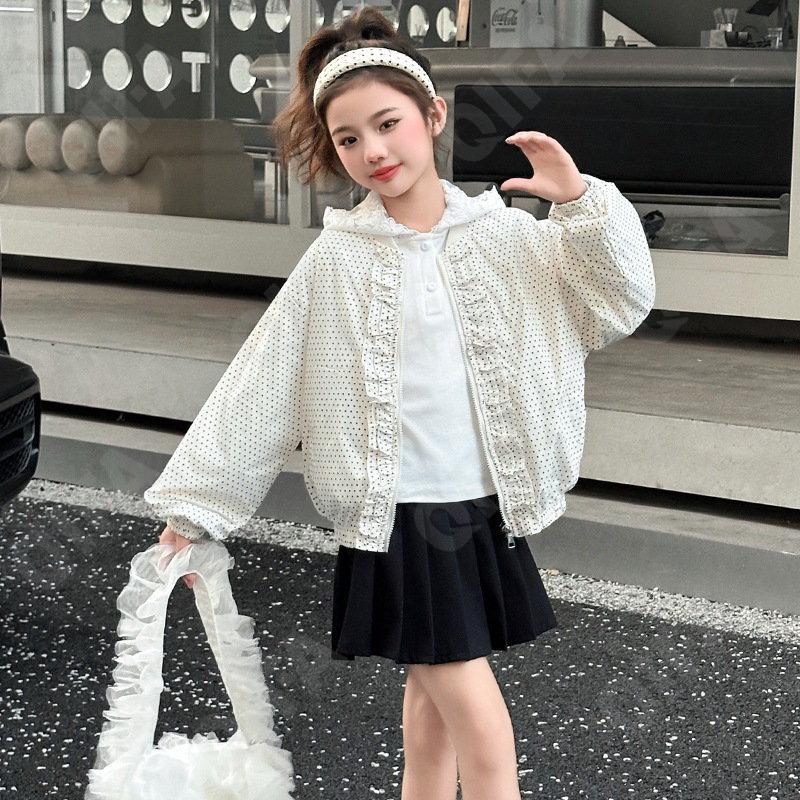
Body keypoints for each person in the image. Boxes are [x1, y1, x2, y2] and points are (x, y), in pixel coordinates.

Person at [145, 8, 656, 799]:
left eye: (388, 124)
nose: (374, 151)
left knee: (434, 692)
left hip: (479, 504)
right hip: (402, 513)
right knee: (467, 709)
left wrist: (581, 203)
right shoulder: (337, 260)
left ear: (433, 116)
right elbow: (263, 384)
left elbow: (617, 303)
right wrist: (196, 507)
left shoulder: (509, 238)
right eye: (349, 139)